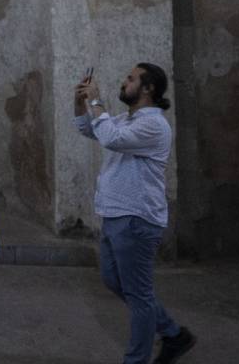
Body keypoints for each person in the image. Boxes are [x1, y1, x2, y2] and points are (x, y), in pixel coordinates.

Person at [74, 63, 196, 364]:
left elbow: (111, 138)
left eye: (130, 79)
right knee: (113, 280)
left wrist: (96, 102)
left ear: (147, 88)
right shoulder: (125, 119)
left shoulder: (154, 125)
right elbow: (88, 129)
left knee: (139, 296)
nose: (124, 82)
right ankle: (172, 333)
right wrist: (79, 103)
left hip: (137, 219)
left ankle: (138, 359)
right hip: (116, 215)